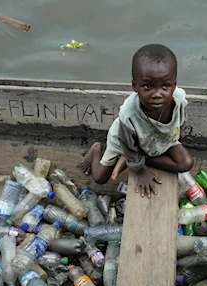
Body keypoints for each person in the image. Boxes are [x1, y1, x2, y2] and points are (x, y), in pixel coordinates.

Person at [81, 44, 194, 197]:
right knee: (100, 177)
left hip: (157, 139)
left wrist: (181, 128)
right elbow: (128, 146)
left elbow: (182, 114)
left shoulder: (179, 98)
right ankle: (96, 149)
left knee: (186, 163)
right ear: (135, 86)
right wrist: (141, 170)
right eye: (148, 86)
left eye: (165, 86)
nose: (157, 94)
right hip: (126, 141)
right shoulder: (128, 114)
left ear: (174, 85)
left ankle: (138, 160)